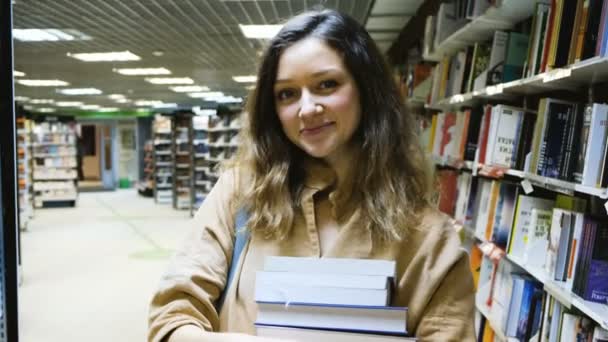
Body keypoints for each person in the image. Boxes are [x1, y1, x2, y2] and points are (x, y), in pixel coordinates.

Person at [148, 9, 475, 342]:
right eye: (287, 94)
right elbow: (171, 322)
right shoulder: (241, 194)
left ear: (366, 88)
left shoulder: (428, 238)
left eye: (327, 84)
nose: (307, 109)